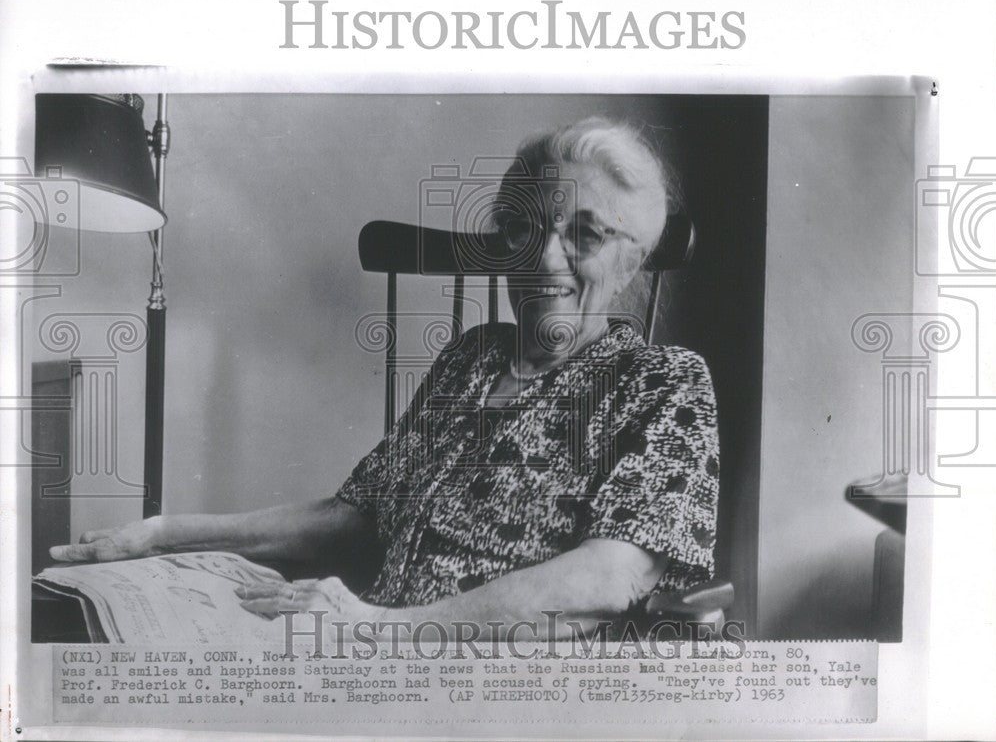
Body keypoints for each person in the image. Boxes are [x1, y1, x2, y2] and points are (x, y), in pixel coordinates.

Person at [51, 117, 720, 639]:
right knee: (103, 613)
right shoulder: (472, 358)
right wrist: (162, 533)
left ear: (632, 263)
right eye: (521, 228)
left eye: (586, 233)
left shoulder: (661, 382)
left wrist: (378, 632)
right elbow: (357, 513)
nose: (544, 257)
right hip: (365, 641)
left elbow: (607, 576)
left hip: (499, 677)